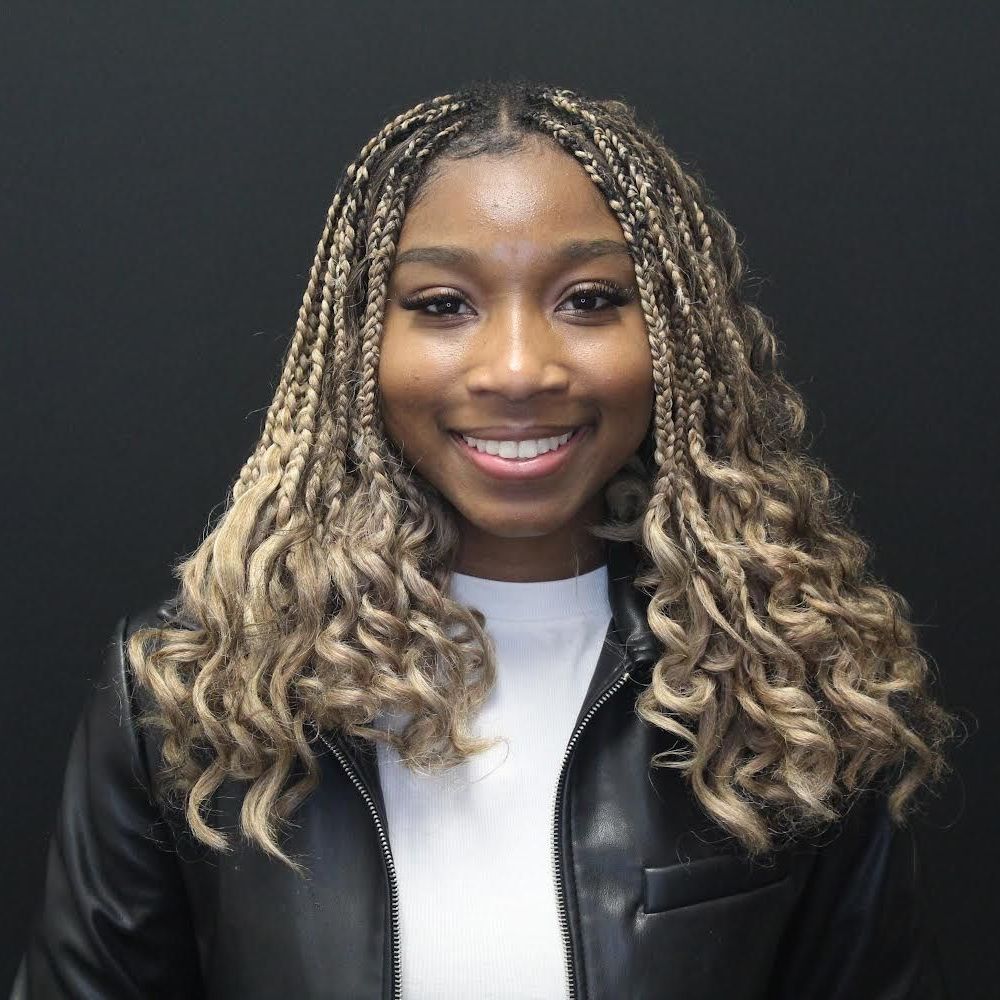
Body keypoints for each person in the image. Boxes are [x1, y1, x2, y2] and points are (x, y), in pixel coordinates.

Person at [11, 79, 958, 999]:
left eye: (589, 299)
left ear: (674, 336)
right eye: (441, 305)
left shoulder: (793, 684)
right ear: (354, 348)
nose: (516, 369)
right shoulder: (191, 694)